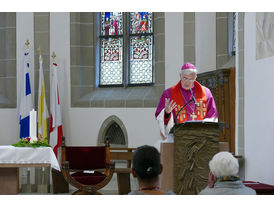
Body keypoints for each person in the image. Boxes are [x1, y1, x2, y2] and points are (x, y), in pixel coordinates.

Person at [155, 62, 218, 143]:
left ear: (195, 77)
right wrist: (167, 113)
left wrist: (203, 131)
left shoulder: (206, 92)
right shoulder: (169, 93)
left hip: (200, 140)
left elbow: (212, 115)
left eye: (191, 79)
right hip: (178, 139)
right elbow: (161, 119)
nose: (187, 82)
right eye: (185, 78)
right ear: (180, 76)